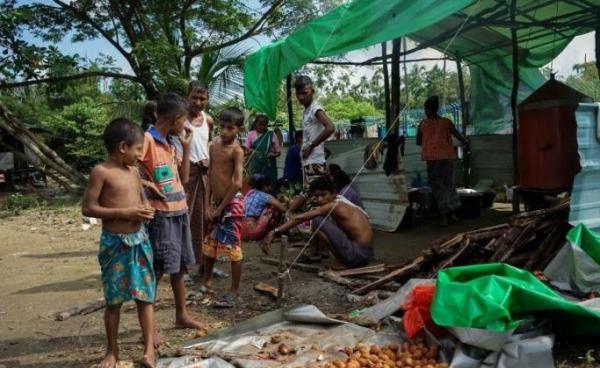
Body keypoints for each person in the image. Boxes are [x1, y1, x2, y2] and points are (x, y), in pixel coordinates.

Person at [82, 118, 156, 368]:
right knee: (114, 301)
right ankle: (112, 351)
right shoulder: (101, 171)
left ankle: (148, 350)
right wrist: (126, 213)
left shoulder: (133, 171)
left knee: (145, 297)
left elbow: (141, 197)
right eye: (138, 149)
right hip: (115, 244)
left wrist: (145, 208)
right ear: (123, 147)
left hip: (140, 241)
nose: (140, 155)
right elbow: (88, 207)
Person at [139, 93, 202, 332]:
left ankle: (181, 315)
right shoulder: (146, 140)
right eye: (184, 119)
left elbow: (183, 179)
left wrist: (186, 149)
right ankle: (150, 329)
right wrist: (145, 185)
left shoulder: (170, 143)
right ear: (175, 118)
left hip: (179, 212)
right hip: (161, 216)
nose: (186, 125)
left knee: (180, 267)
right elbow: (125, 168)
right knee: (157, 271)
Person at [264, 176, 374, 269]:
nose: (320, 199)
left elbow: (299, 218)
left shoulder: (335, 205)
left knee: (317, 219)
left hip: (358, 256)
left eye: (323, 194)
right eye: (316, 196)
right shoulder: (343, 202)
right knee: (322, 220)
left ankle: (341, 261)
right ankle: (315, 252)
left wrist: (275, 231)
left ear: (333, 193)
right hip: (367, 256)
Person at [202, 107, 245, 308]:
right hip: (216, 204)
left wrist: (220, 209)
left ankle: (234, 291)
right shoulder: (213, 146)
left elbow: (237, 183)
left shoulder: (237, 151)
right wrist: (208, 205)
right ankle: (207, 282)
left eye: (230, 128)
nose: (225, 131)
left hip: (232, 204)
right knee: (209, 244)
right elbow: (210, 175)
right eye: (223, 127)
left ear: (239, 129)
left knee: (233, 248)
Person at [417, 96, 468, 226]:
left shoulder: (423, 124)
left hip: (433, 160)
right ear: (437, 109)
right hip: (447, 158)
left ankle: (444, 217)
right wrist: (466, 142)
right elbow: (458, 136)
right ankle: (453, 214)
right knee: (449, 186)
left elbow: (418, 141)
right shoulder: (446, 122)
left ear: (427, 109)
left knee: (437, 188)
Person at [184, 81, 213, 272]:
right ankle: (183, 267)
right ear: (187, 96)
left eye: (202, 98)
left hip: (204, 175)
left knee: (206, 219)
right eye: (194, 97)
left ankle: (205, 264)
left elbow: (209, 143)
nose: (198, 102)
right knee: (184, 218)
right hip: (186, 175)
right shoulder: (180, 120)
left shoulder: (208, 120)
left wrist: (208, 159)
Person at [294, 76, 335, 189]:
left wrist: (311, 146)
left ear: (312, 91)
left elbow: (330, 128)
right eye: (298, 94)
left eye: (304, 93)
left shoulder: (315, 108)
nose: (301, 97)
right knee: (312, 197)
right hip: (308, 162)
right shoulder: (307, 110)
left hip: (315, 163)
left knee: (316, 198)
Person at [242, 174, 287, 241]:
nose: (271, 188)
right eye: (269, 186)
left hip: (240, 231)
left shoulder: (249, 193)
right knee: (272, 208)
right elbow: (283, 209)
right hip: (253, 232)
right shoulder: (265, 196)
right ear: (264, 186)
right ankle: (274, 233)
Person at [244, 114, 281, 184]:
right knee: (256, 184)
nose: (262, 127)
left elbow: (278, 152)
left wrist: (273, 155)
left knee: (268, 185)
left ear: (267, 125)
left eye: (264, 125)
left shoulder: (271, 134)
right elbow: (246, 150)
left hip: (269, 166)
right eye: (260, 124)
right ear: (255, 124)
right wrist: (249, 152)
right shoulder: (250, 134)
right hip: (255, 165)